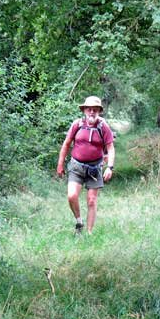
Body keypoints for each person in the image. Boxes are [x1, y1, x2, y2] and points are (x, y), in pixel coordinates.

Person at [56, 96, 115, 234]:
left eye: (95, 110)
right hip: (76, 167)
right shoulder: (77, 124)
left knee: (92, 201)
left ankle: (89, 233)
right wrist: (60, 164)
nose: (92, 112)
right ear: (84, 110)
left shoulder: (103, 126)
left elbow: (111, 148)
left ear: (99, 111)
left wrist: (110, 167)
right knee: (71, 196)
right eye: (89, 109)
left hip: (95, 169)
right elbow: (66, 144)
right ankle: (79, 222)